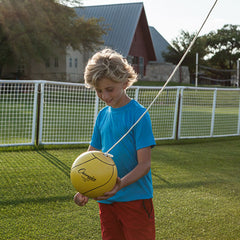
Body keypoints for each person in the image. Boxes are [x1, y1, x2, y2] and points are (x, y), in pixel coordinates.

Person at [74, 48, 156, 240]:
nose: (104, 95)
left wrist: (121, 184)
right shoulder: (102, 116)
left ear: (125, 82)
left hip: (136, 199)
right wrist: (84, 187)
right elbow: (92, 154)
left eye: (109, 89)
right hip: (107, 199)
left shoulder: (139, 115)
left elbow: (144, 164)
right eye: (99, 90)